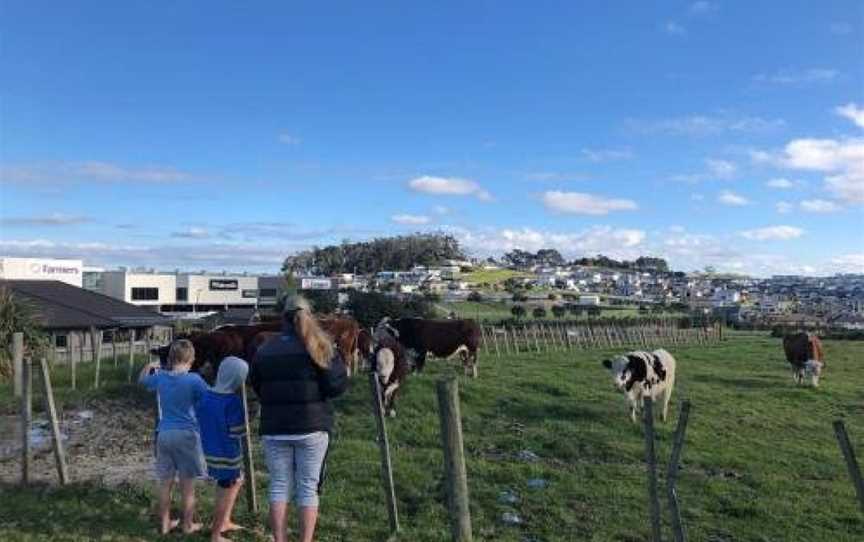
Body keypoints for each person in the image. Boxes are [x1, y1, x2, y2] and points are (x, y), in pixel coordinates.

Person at [249, 295, 349, 542]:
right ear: (309, 316)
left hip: (274, 427)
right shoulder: (321, 347)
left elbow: (257, 386)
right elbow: (336, 386)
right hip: (312, 426)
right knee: (308, 487)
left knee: (279, 485)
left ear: (282, 317)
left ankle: (279, 539)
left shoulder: (265, 349)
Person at [139, 339, 209, 535]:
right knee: (187, 486)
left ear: (170, 358)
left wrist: (148, 366)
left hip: (164, 434)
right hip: (187, 434)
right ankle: (187, 525)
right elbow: (208, 401)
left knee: (165, 483)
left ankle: (164, 524)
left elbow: (142, 381)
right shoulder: (194, 379)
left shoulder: (160, 377)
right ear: (191, 359)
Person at [196, 355, 249, 542]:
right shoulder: (232, 402)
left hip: (210, 451)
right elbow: (237, 432)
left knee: (237, 480)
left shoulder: (205, 396)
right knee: (225, 489)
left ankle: (225, 521)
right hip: (228, 454)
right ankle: (216, 534)